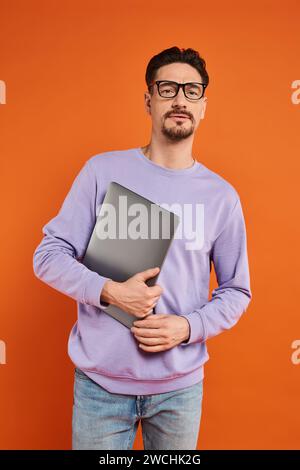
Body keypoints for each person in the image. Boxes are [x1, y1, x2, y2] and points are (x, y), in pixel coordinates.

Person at [33, 46, 252, 450]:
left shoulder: (221, 196)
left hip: (180, 393)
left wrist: (189, 327)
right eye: (168, 88)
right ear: (149, 99)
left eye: (192, 90)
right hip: (100, 388)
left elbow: (237, 291)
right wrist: (109, 291)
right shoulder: (102, 171)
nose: (180, 99)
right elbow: (47, 256)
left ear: (204, 105)